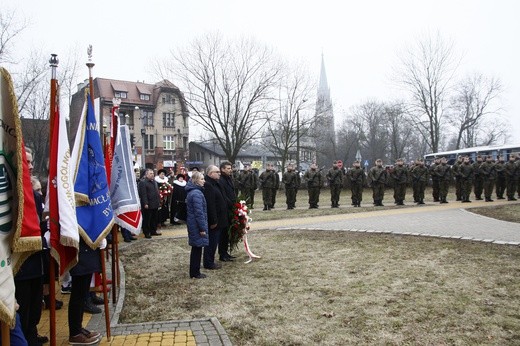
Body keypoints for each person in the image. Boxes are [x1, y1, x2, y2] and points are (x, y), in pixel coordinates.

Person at [14, 150, 48, 345]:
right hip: (21, 264)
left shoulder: (34, 196)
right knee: (24, 304)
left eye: (32, 161)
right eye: (27, 162)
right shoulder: (13, 196)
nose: (32, 165)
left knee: (36, 304)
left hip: (36, 258)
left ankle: (32, 333)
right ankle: (26, 337)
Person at [67, 239, 103, 344]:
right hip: (80, 253)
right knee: (78, 295)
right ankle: (75, 333)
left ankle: (78, 328)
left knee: (82, 294)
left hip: (86, 251)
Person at [203, 166, 228, 270]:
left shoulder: (216, 183)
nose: (219, 173)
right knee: (212, 242)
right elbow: (210, 204)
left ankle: (211, 260)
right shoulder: (208, 185)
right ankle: (208, 262)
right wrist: (213, 220)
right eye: (217, 172)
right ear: (210, 173)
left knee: (215, 241)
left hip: (220, 218)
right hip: (214, 220)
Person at [185, 171, 209, 279]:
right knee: (197, 249)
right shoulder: (196, 194)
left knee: (197, 248)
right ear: (196, 181)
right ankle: (195, 272)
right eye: (202, 179)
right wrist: (202, 228)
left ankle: (195, 271)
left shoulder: (195, 192)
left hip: (194, 224)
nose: (204, 181)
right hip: (196, 224)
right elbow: (199, 213)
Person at [218, 161, 236, 262]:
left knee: (227, 233)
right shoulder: (221, 180)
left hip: (231, 208)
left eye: (230, 168)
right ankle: (222, 254)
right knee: (223, 233)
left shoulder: (228, 179)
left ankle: (226, 252)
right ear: (222, 169)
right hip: (226, 209)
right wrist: (232, 205)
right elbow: (224, 196)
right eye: (228, 168)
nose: (230, 170)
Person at [138, 169, 161, 238]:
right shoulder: (143, 182)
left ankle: (153, 231)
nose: (152, 175)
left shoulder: (154, 182)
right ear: (146, 174)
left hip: (155, 203)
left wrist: (159, 201)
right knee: (147, 219)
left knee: (154, 219)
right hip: (148, 204)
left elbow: (157, 192)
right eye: (150, 173)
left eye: (153, 173)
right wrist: (145, 203)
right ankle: (147, 232)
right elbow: (143, 194)